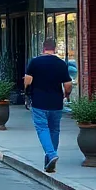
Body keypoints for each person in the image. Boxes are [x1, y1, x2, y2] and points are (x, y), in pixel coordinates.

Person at [24, 37, 73, 173]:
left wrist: (27, 94)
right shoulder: (61, 64)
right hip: (56, 102)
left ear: (43, 48)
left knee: (42, 128)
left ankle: (51, 155)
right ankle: (49, 161)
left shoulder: (35, 62)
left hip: (39, 101)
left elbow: (28, 81)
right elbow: (68, 85)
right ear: (55, 48)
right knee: (54, 129)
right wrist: (66, 94)